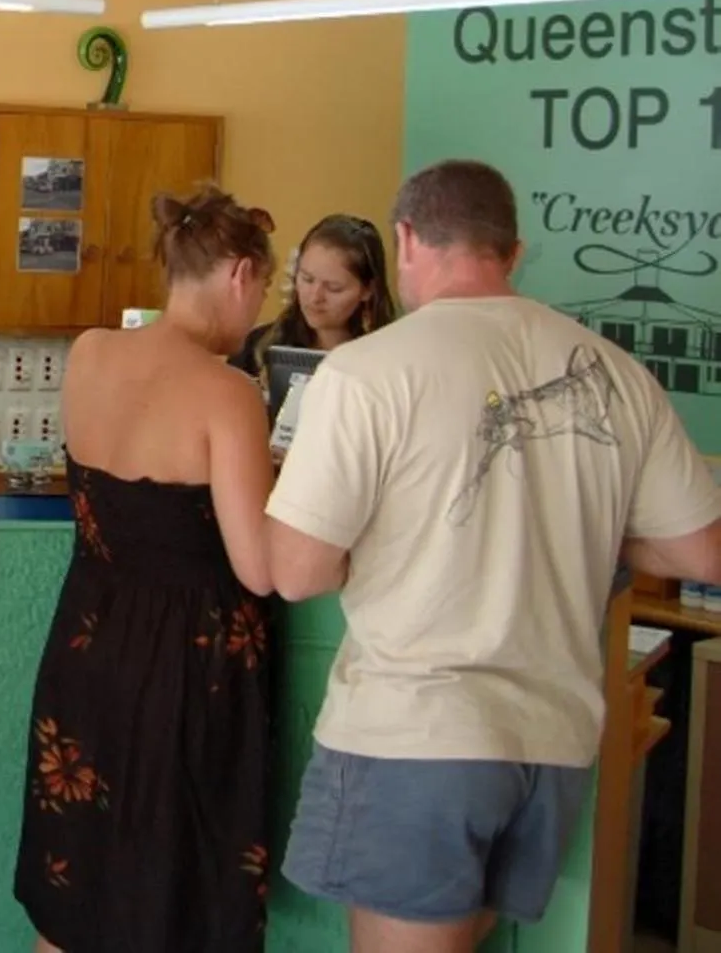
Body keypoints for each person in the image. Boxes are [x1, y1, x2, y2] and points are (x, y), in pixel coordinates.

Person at [268, 160, 721, 951]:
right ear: (512, 251)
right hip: (553, 743)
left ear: (406, 238)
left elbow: (297, 570)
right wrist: (572, 524)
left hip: (417, 734)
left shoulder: (366, 371)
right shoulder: (616, 372)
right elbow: (703, 550)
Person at [15, 185, 279, 953]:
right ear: (239, 274)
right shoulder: (228, 393)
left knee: (76, 889)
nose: (256, 312)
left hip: (87, 647)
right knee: (169, 899)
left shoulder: (90, 352)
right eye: (263, 290)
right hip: (185, 676)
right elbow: (259, 567)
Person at [232, 213, 397, 384]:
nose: (315, 297)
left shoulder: (387, 362)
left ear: (368, 290)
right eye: (307, 279)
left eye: (334, 288)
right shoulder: (258, 347)